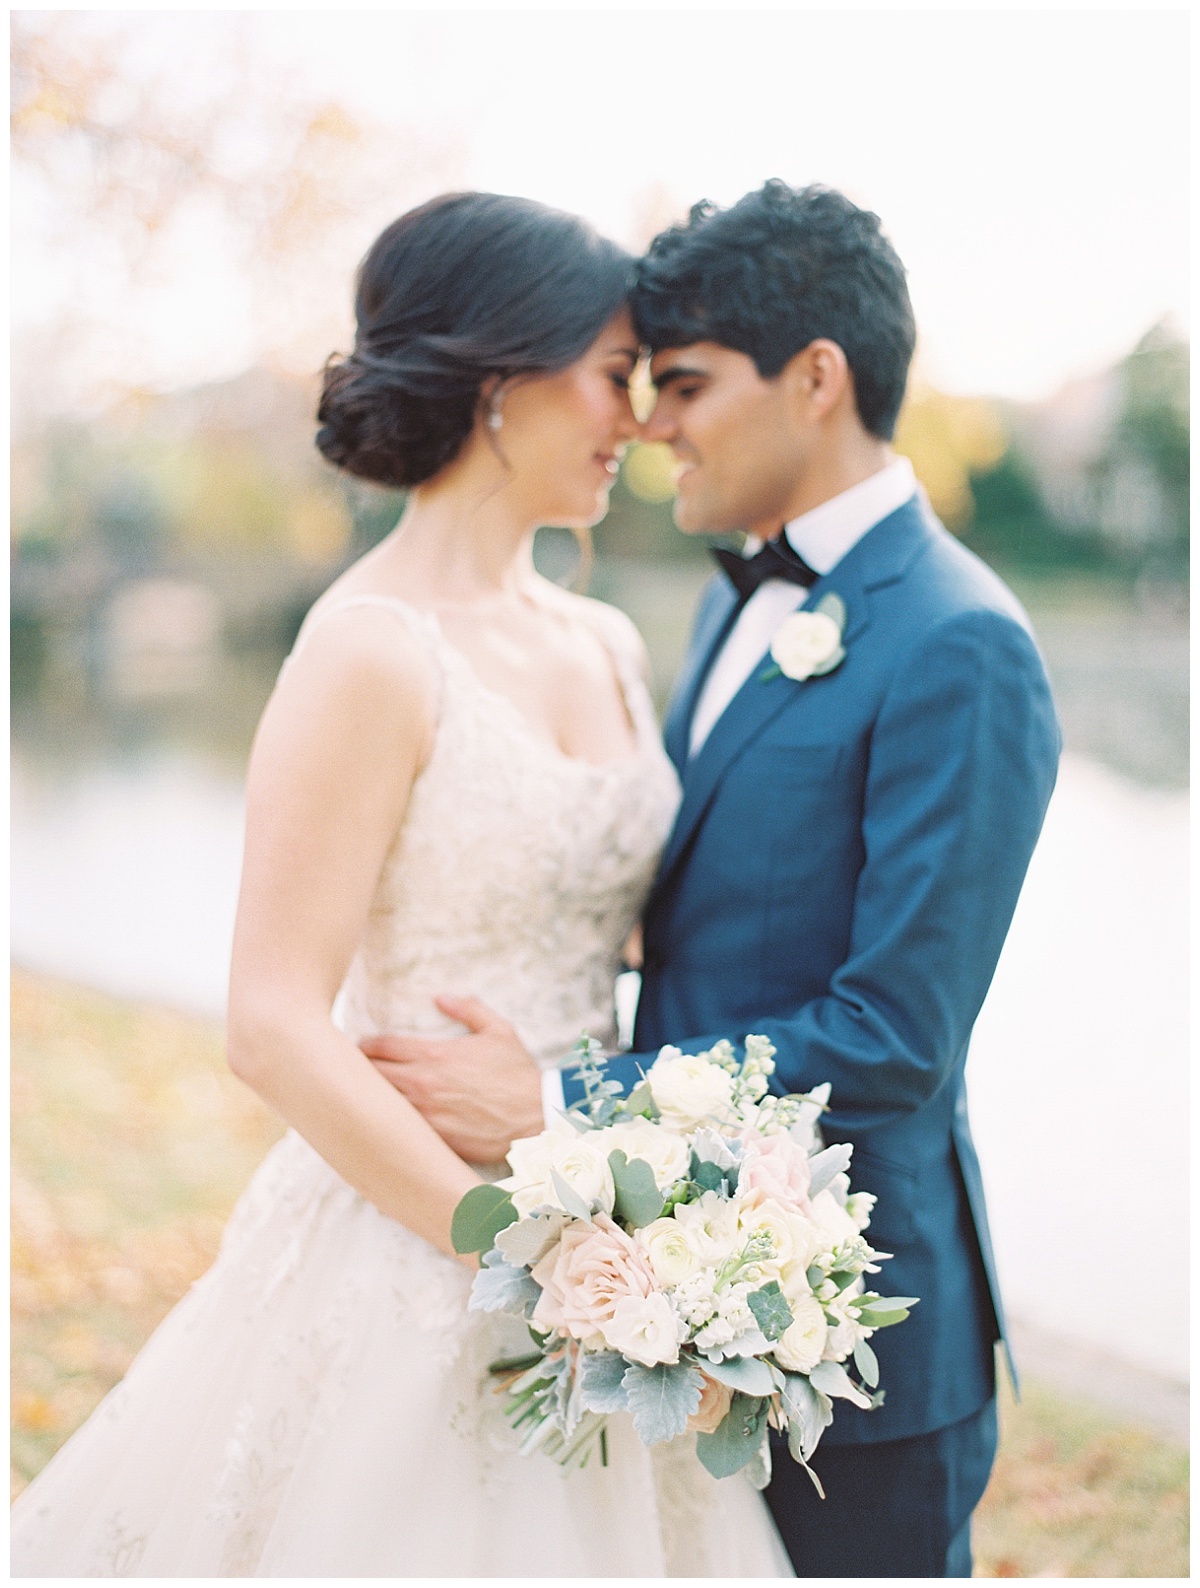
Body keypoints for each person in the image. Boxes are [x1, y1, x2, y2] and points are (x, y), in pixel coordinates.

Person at [10, 192, 792, 1578]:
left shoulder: (606, 641)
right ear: (502, 382)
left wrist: (642, 1191)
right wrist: (515, 1246)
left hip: (617, 1219)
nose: (641, 418)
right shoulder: (370, 650)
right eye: (615, 376)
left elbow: (625, 930)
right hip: (417, 1238)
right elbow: (269, 1020)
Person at [364, 182, 1062, 1578]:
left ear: (817, 380)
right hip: (665, 1304)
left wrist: (563, 1105)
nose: (648, 420)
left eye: (682, 383)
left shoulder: (962, 646)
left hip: (856, 1344)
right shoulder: (722, 600)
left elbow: (895, 1039)